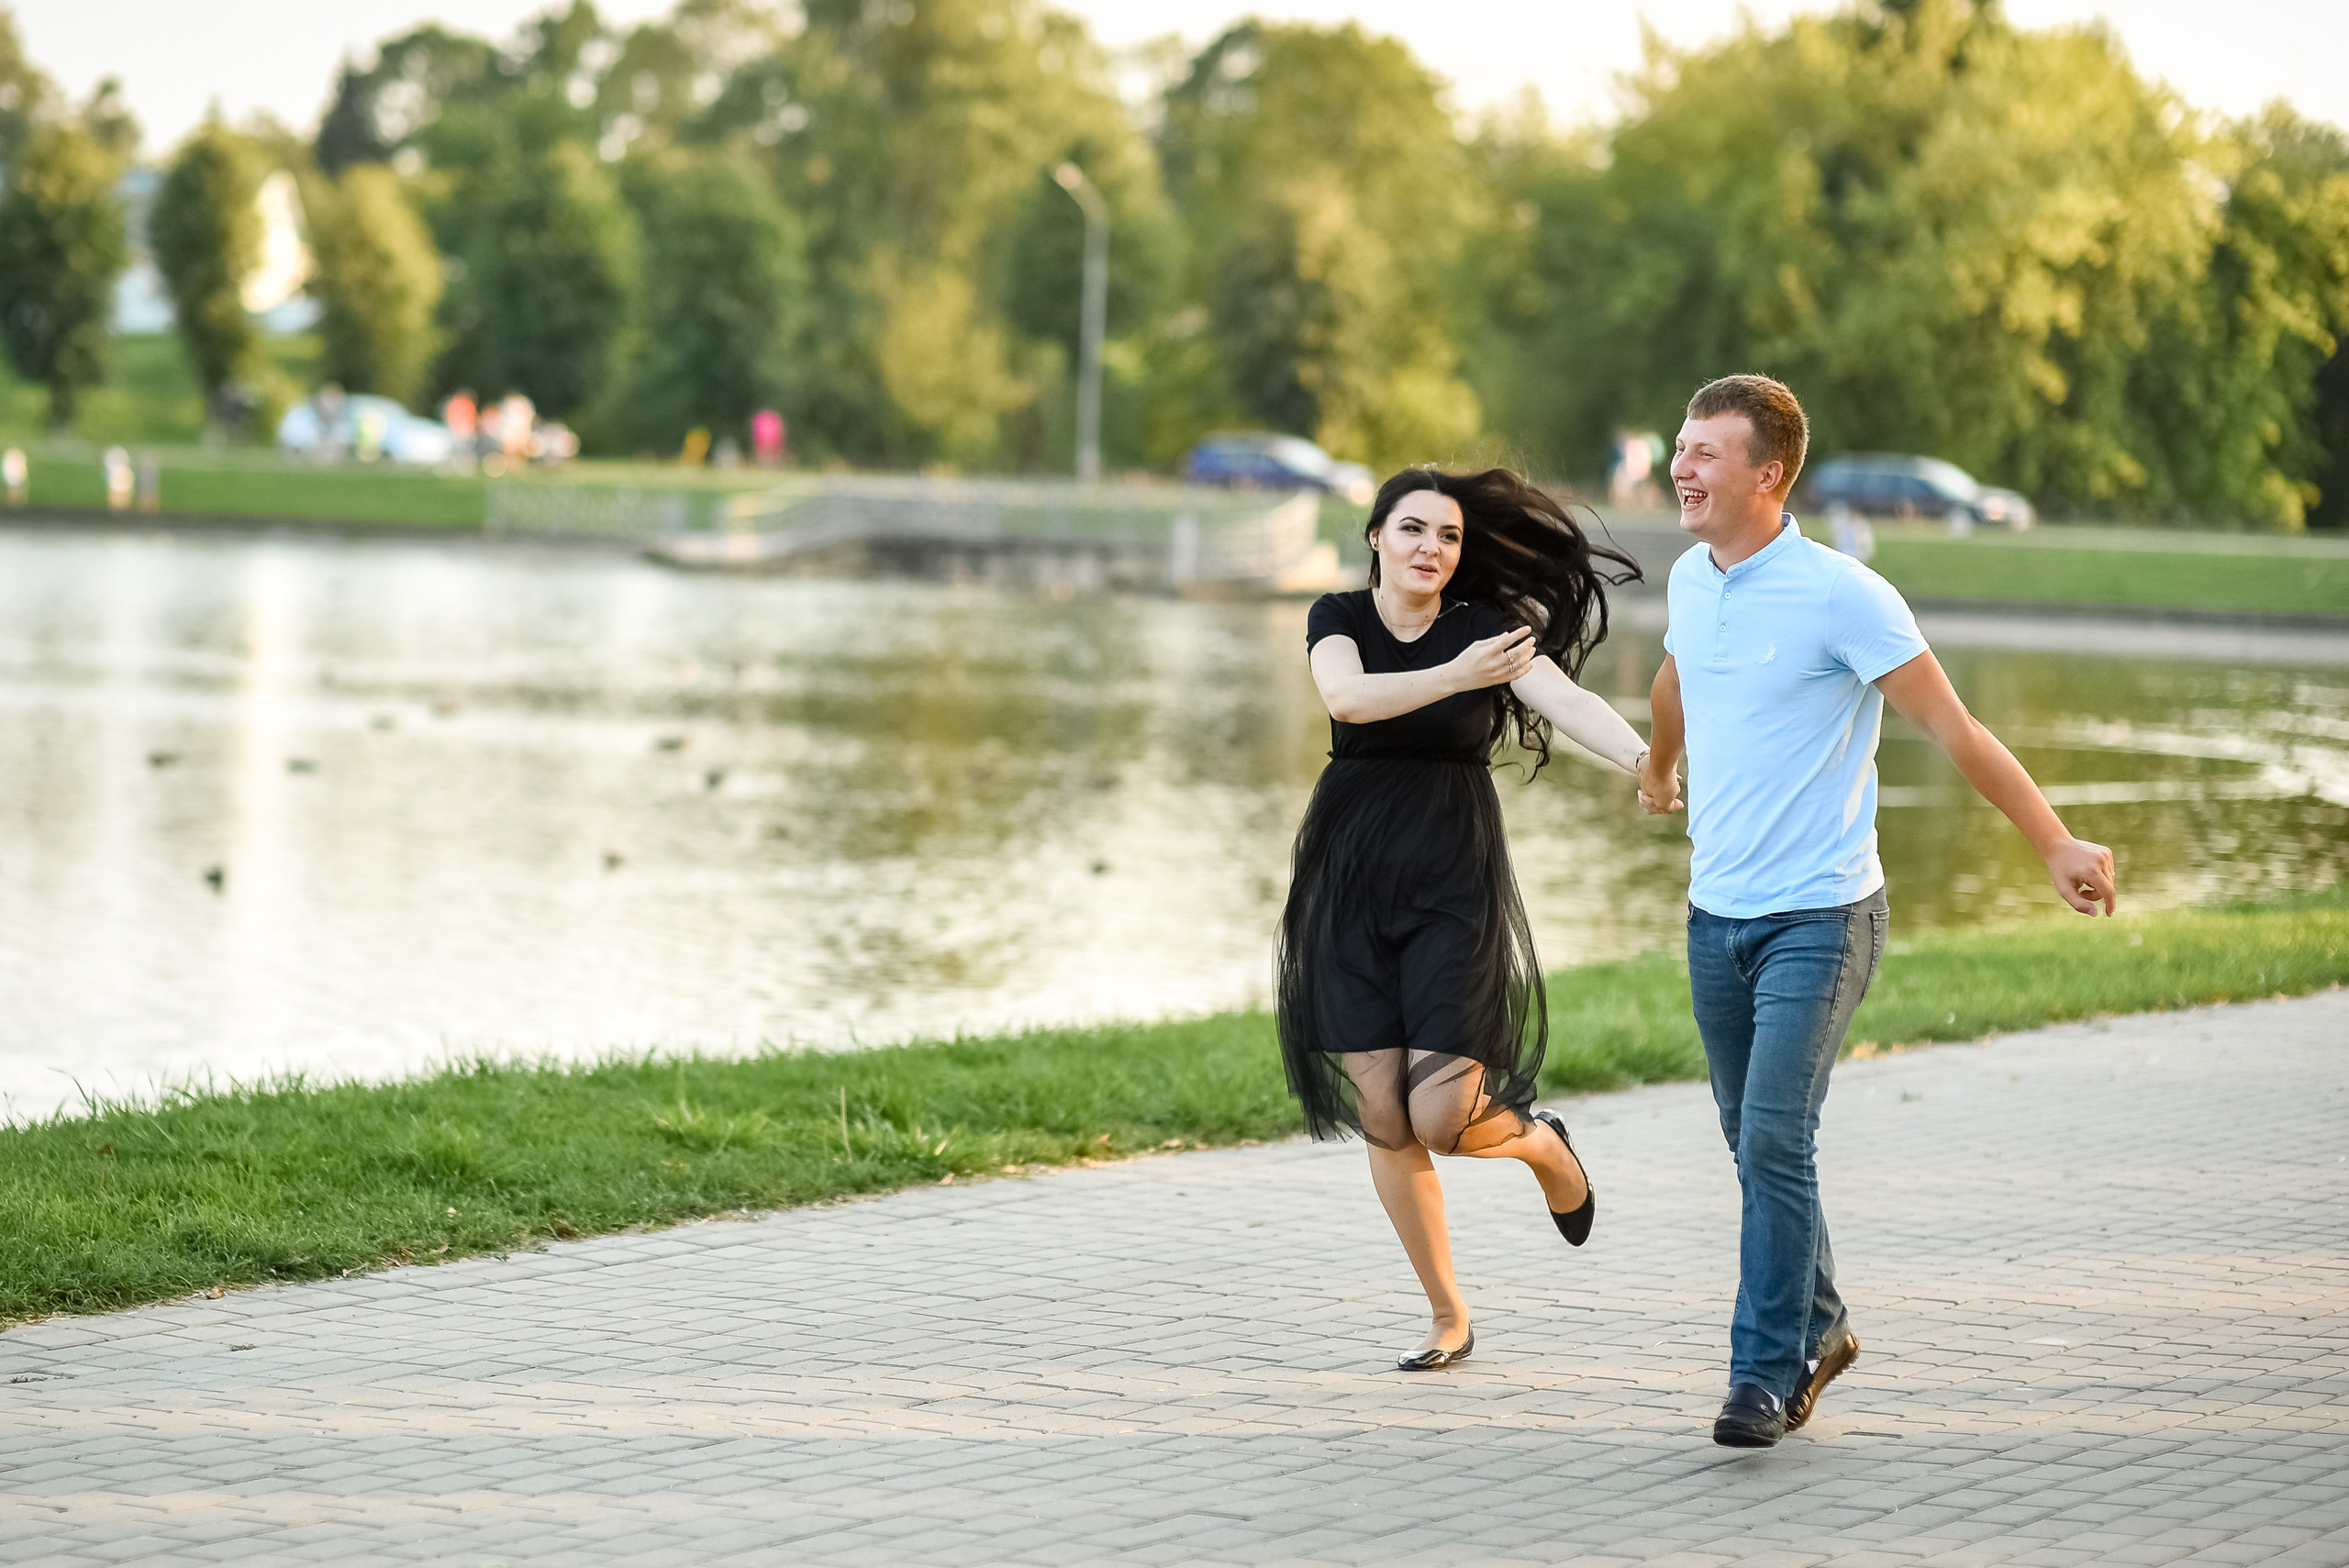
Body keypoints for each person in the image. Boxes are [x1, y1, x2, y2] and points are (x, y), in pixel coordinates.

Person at [1636, 374, 2119, 1448]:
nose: (1682, 466)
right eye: (1680, 445)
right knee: (1748, 1136)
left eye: (1706, 452)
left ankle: (1764, 1371)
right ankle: (1823, 1320)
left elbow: (1955, 730)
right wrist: (1661, 767)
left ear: (1769, 474)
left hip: (1822, 914)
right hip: (1715, 913)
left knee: (1772, 1134)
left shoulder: (1843, 594)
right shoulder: (1687, 575)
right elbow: (1675, 679)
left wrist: (2052, 840)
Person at [1280, 466, 1653, 1371]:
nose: (1429, 548)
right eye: (1411, 529)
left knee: (1443, 1114)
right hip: (1351, 873)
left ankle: (1543, 1146)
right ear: (1375, 535)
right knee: (1385, 1113)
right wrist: (1453, 676)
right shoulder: (1339, 619)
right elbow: (1348, 700)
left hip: (1452, 876)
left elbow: (1565, 703)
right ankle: (1448, 1314)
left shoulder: (1486, 630)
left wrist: (1648, 760)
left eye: (1446, 536)